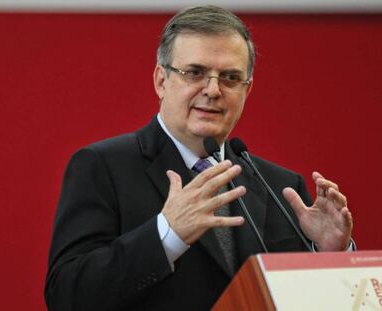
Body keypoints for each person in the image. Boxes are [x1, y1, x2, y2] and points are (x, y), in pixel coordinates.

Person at [45, 5, 354, 311]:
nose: (213, 90)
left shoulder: (280, 187)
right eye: (195, 72)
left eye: (231, 77)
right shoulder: (103, 167)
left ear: (247, 91)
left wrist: (329, 255)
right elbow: (67, 294)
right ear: (161, 81)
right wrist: (167, 234)